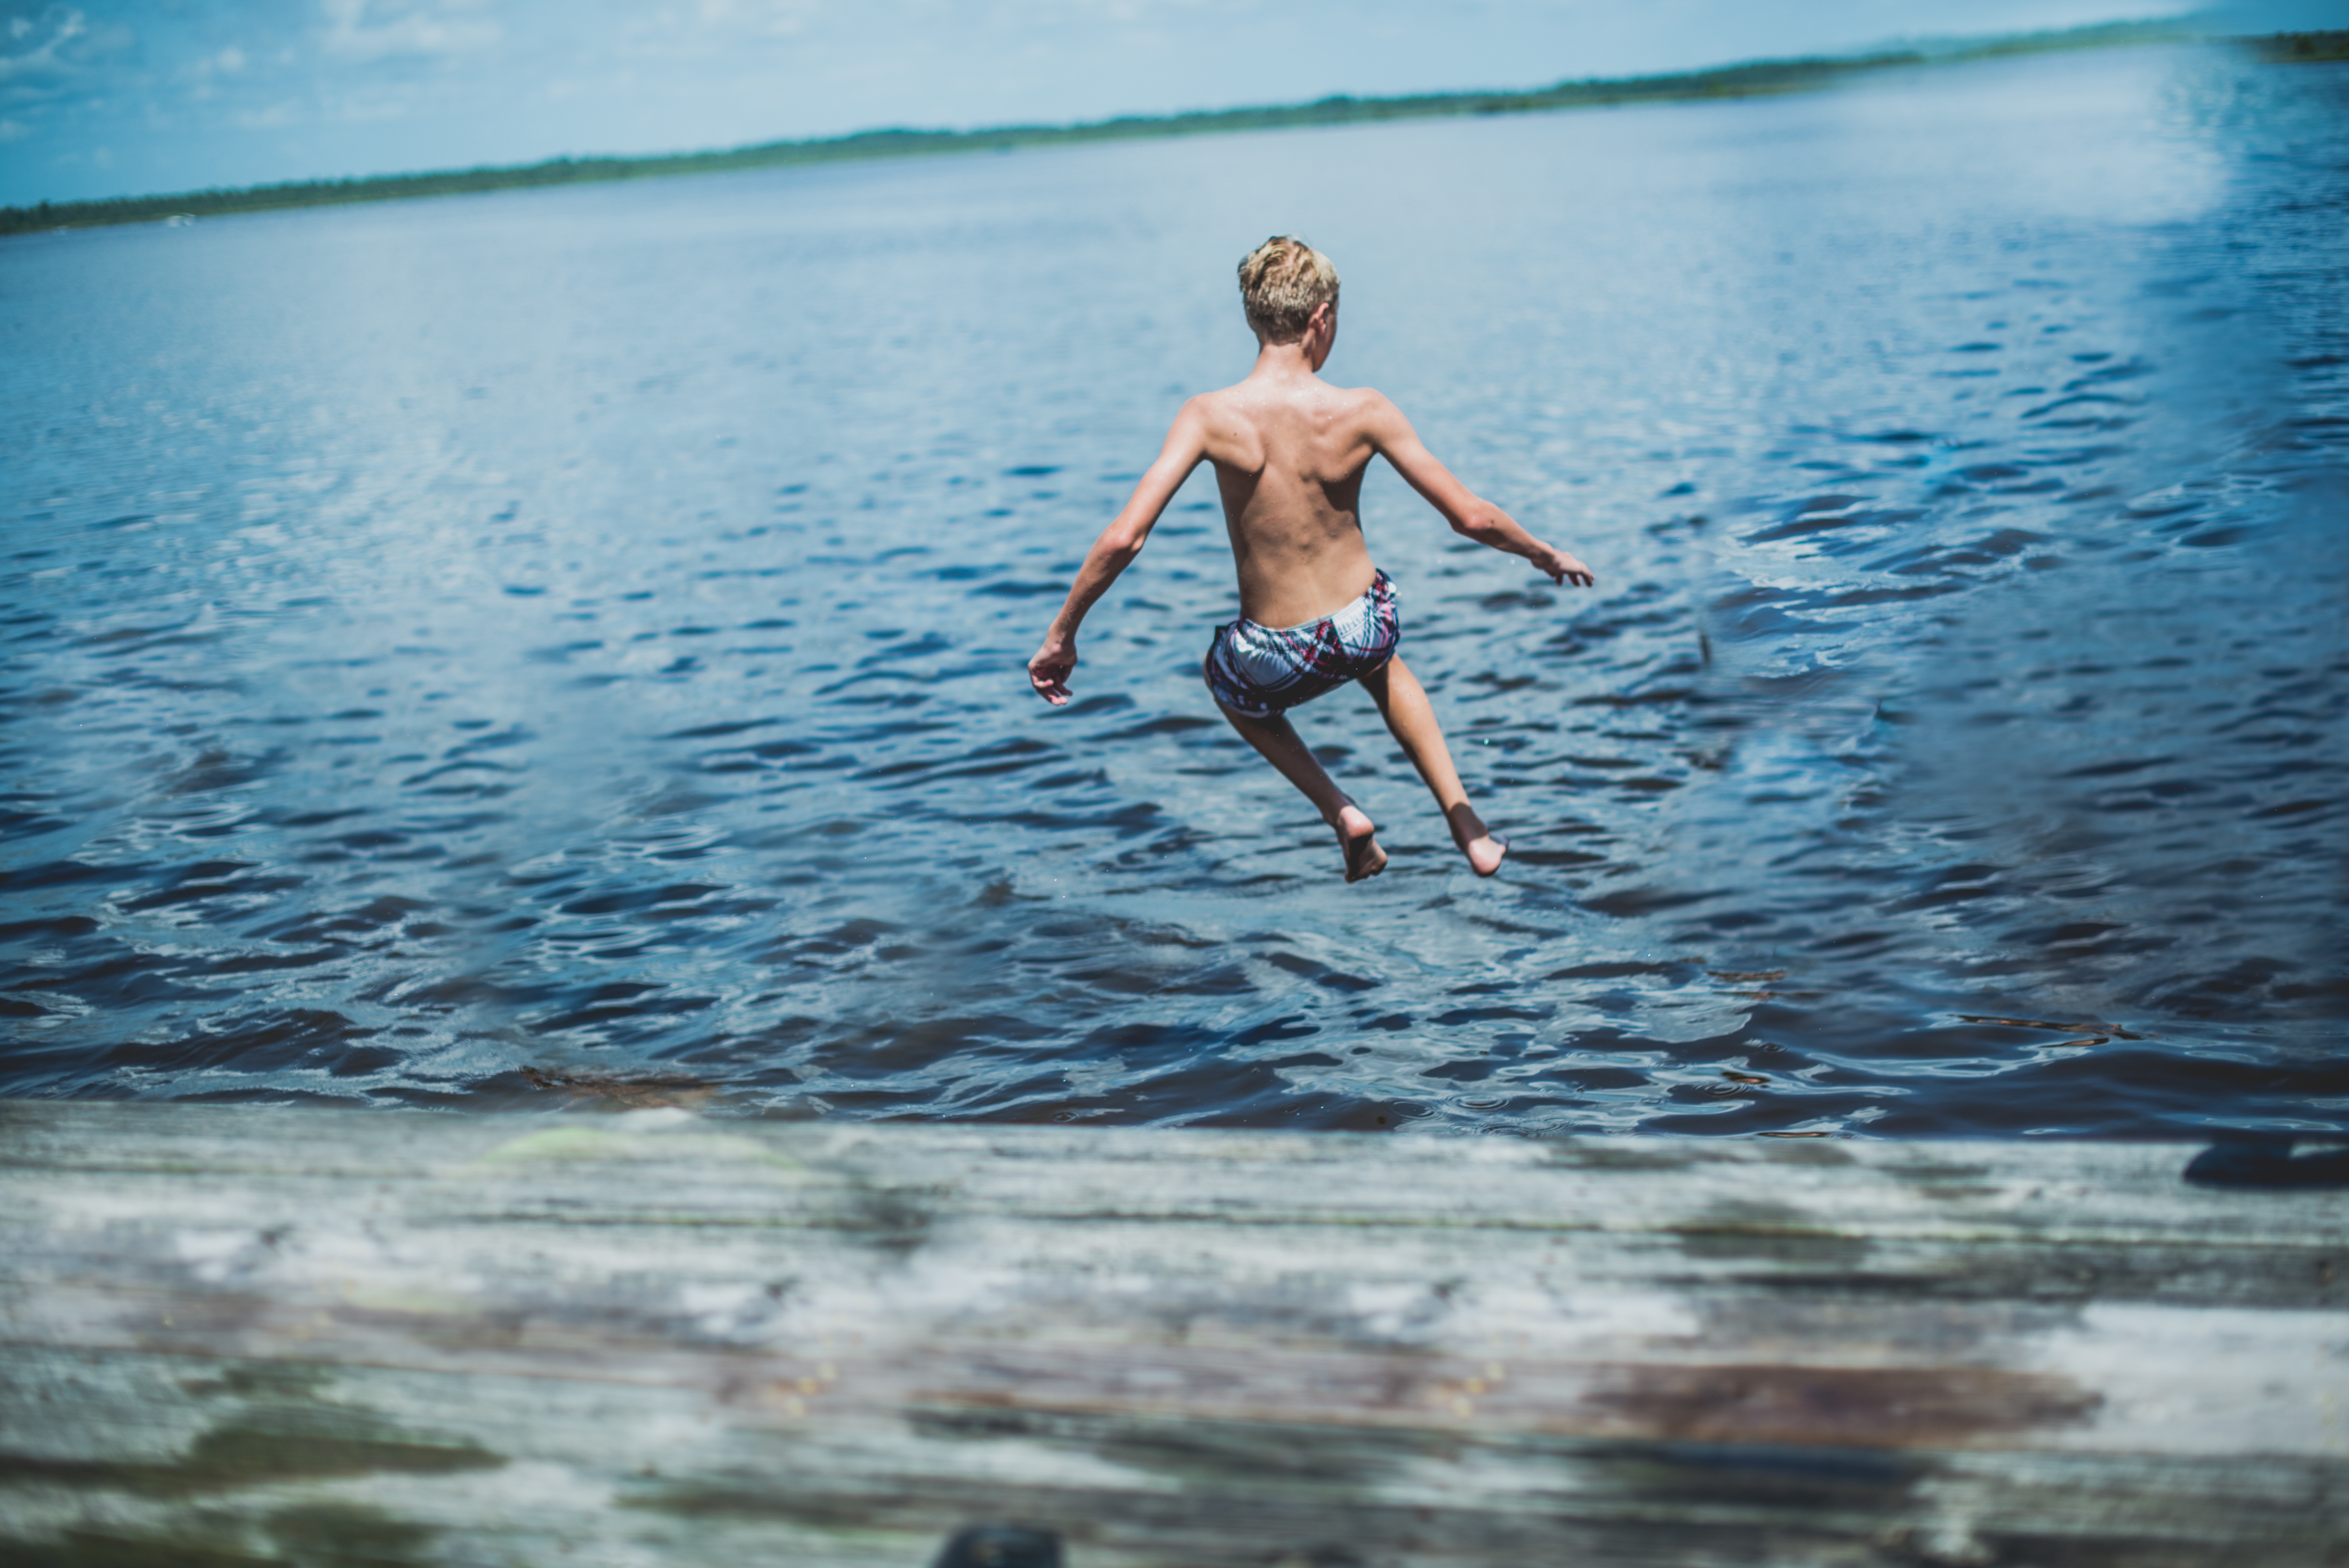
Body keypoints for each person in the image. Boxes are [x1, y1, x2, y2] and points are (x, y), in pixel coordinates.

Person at [1026, 236, 1595, 883]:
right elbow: (1471, 517)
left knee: (1227, 684)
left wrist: (1062, 633)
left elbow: (1123, 539)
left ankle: (1342, 811)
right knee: (1382, 665)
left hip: (1274, 655)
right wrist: (1544, 554)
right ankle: (1468, 826)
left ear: (1253, 318)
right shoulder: (1364, 410)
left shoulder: (1209, 417)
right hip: (1363, 626)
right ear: (1322, 318)